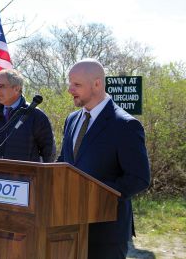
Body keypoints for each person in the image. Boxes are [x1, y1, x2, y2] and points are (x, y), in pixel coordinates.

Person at [56, 58, 150, 259]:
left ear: (97, 84)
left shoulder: (125, 125)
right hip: (68, 226)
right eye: (70, 83)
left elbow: (139, 178)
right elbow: (64, 162)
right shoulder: (72, 119)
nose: (69, 89)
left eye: (77, 84)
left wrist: (93, 194)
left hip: (106, 232)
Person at [0, 69, 56, 162]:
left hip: (27, 175)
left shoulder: (36, 116)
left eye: (1, 86)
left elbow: (49, 153)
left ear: (16, 88)